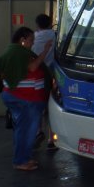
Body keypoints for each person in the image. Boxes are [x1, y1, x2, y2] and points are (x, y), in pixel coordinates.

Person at [0, 27, 52, 171]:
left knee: (22, 129)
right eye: (31, 40)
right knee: (26, 131)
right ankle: (21, 161)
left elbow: (2, 74)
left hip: (17, 96)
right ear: (22, 40)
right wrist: (45, 51)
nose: (32, 44)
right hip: (26, 99)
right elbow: (32, 68)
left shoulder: (12, 52)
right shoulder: (19, 53)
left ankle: (23, 157)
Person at [32, 14, 57, 150]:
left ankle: (37, 132)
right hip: (52, 76)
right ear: (49, 23)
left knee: (37, 106)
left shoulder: (34, 37)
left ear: (37, 24)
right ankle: (51, 140)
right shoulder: (54, 35)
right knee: (52, 106)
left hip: (37, 77)